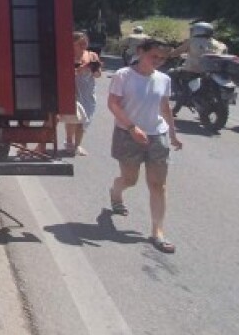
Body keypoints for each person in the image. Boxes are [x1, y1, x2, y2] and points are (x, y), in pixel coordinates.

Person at [107, 39, 183, 254]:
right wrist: (132, 127)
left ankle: (157, 231)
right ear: (140, 52)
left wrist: (173, 134)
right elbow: (112, 103)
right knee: (130, 179)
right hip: (127, 134)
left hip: (157, 136)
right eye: (154, 56)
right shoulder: (123, 75)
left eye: (162, 58)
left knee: (158, 184)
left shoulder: (164, 79)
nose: (158, 61)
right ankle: (116, 191)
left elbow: (165, 107)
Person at [66, 31, 101, 155]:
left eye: (85, 43)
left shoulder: (92, 55)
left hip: (88, 92)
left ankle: (78, 145)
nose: (83, 46)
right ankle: (69, 142)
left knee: (85, 120)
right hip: (73, 90)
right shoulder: (67, 56)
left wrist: (92, 67)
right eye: (80, 43)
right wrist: (78, 70)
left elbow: (98, 75)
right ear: (72, 44)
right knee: (73, 118)